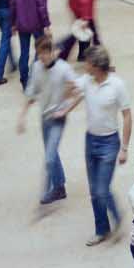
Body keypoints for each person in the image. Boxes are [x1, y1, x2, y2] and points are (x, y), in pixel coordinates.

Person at [19, 32, 83, 208]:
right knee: (52, 153)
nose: (43, 57)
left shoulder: (64, 69)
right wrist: (22, 116)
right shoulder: (37, 67)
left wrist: (65, 110)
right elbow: (31, 92)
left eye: (46, 53)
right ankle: (60, 186)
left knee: (49, 157)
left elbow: (79, 92)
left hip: (58, 119)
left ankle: (47, 192)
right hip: (44, 118)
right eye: (40, 54)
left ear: (53, 52)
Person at [81, 44, 134, 246]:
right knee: (94, 190)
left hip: (109, 143)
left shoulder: (117, 85)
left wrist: (124, 148)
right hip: (90, 140)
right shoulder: (87, 81)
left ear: (96, 66)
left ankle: (117, 216)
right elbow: (72, 88)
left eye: (87, 62)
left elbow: (127, 116)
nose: (84, 65)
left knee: (102, 189)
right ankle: (101, 229)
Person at [10, 0, 51, 77]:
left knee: (24, 52)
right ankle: (35, 74)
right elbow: (42, 7)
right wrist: (47, 24)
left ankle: (24, 78)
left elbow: (13, 5)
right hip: (37, 24)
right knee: (40, 50)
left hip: (22, 24)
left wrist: (13, 24)